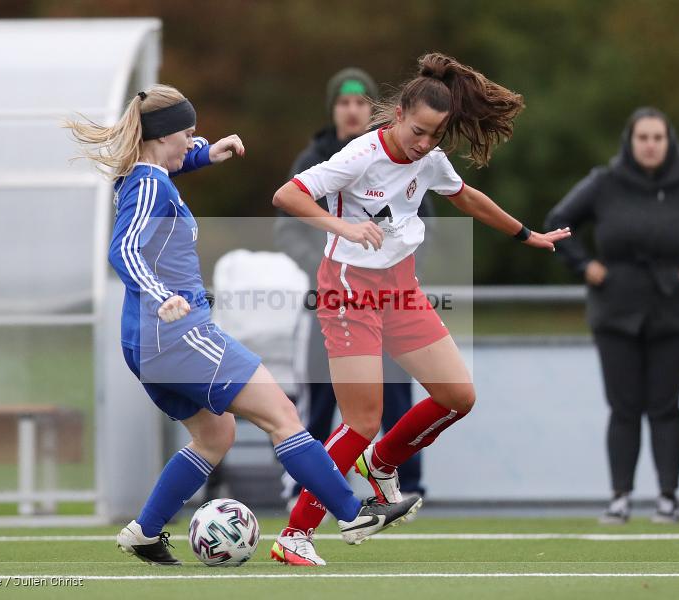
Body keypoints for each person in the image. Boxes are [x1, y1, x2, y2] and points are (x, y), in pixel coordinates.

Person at [64, 84, 422, 566]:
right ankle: (352, 513)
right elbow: (123, 249)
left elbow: (175, 160)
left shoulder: (140, 174)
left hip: (145, 341)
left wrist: (207, 153)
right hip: (177, 333)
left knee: (216, 436)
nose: (193, 141)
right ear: (163, 135)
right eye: (188, 134)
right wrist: (163, 294)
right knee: (283, 416)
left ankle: (145, 531)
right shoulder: (151, 184)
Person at [271, 52, 571, 565]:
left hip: (401, 289)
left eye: (436, 135)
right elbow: (287, 196)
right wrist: (342, 228)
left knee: (458, 394)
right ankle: (295, 535)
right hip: (349, 288)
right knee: (361, 420)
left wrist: (527, 234)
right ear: (398, 114)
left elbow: (468, 198)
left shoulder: (429, 159)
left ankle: (381, 464)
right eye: (419, 131)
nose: (426, 143)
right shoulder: (360, 154)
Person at [544, 107, 679, 524]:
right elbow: (557, 222)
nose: (650, 145)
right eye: (643, 138)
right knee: (624, 406)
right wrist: (585, 266)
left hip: (673, 309)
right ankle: (620, 497)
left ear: (669, 143)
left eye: (658, 138)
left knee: (665, 406)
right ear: (630, 143)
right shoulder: (605, 182)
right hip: (615, 308)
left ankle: (668, 497)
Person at [274, 67, 431, 505]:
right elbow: (287, 224)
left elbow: (425, 220)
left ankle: (408, 485)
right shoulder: (314, 158)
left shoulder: (404, 154)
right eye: (344, 102)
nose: (353, 109)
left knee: (397, 393)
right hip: (333, 295)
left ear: (374, 109)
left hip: (390, 298)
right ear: (334, 109)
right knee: (321, 398)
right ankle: (304, 488)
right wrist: (324, 260)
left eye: (361, 102)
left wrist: (400, 261)